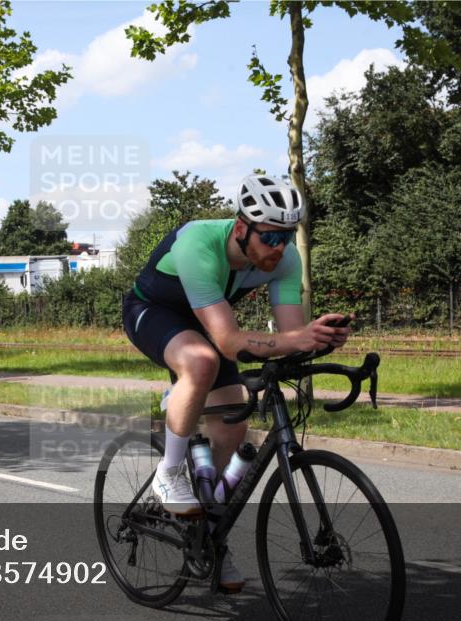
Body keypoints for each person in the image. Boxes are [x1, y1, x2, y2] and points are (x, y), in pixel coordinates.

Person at [122, 173, 352, 592]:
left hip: (206, 320)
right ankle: (169, 472)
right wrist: (293, 338)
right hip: (153, 312)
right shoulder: (198, 244)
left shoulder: (284, 259)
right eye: (270, 237)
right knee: (201, 360)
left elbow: (289, 336)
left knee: (232, 426)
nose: (279, 249)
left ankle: (211, 539)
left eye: (286, 238)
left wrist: (319, 339)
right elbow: (227, 341)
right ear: (242, 228)